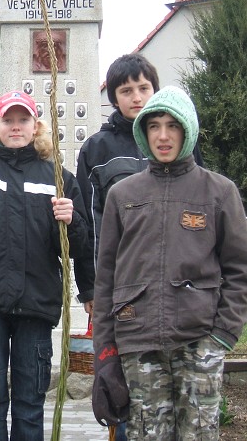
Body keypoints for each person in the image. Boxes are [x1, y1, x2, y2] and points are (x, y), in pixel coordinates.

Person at [92, 85, 247, 440]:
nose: (163, 136)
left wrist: (222, 336)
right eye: (154, 126)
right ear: (143, 132)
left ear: (187, 128)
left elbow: (240, 270)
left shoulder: (219, 192)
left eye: (172, 125)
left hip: (200, 341)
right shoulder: (121, 195)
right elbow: (106, 278)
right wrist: (106, 351)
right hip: (138, 344)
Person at [0, 90, 92, 440]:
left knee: (29, 402)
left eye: (23, 119)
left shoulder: (59, 178)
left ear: (36, 126)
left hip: (36, 306)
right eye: (7, 120)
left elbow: (78, 248)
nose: (16, 126)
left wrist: (71, 221)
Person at [74, 53, 204, 440]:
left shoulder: (180, 140)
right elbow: (90, 224)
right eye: (126, 90)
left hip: (179, 289)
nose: (136, 97)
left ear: (154, 89)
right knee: (124, 387)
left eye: (143, 88)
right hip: (124, 289)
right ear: (114, 98)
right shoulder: (97, 149)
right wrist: (91, 288)